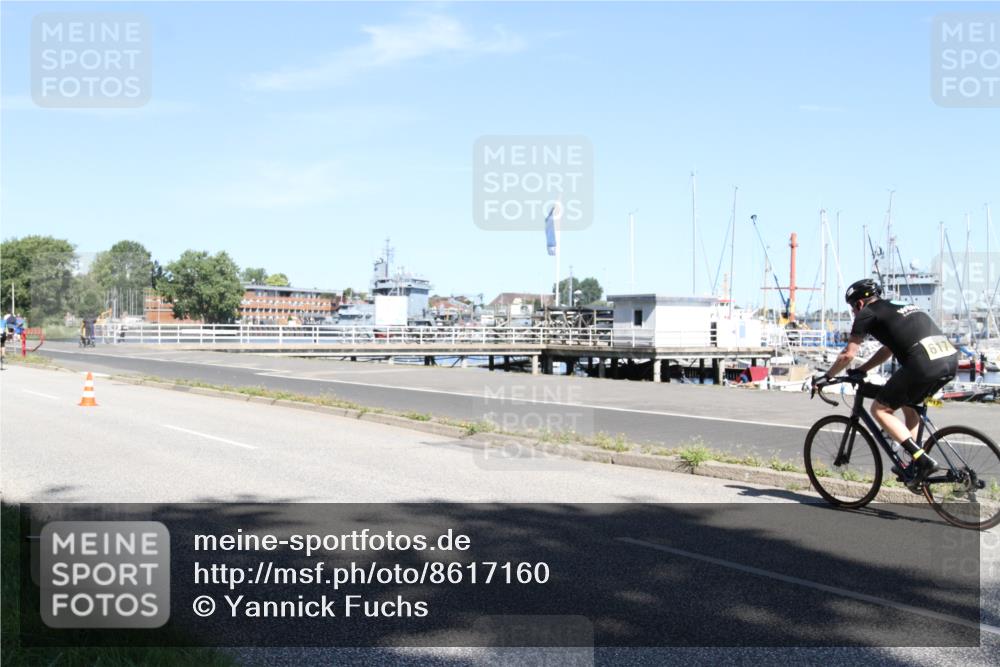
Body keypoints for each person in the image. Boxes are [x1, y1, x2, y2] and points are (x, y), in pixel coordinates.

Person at [818, 279, 958, 488]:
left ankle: (923, 460)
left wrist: (826, 377)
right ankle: (914, 465)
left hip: (923, 364)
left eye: (852, 308)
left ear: (859, 304)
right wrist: (863, 369)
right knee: (909, 407)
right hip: (950, 360)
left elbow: (848, 354)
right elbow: (887, 350)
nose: (854, 313)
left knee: (880, 410)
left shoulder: (867, 313)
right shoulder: (898, 306)